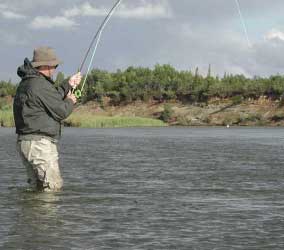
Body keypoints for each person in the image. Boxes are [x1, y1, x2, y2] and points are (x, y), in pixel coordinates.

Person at [13, 46, 82, 192]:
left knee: (37, 189)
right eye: (54, 65)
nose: (55, 69)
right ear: (45, 66)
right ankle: (48, 216)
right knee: (52, 187)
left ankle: (33, 215)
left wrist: (68, 83)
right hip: (39, 145)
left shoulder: (29, 81)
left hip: (26, 143)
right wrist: (71, 100)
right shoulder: (40, 85)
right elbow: (61, 111)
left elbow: (50, 97)